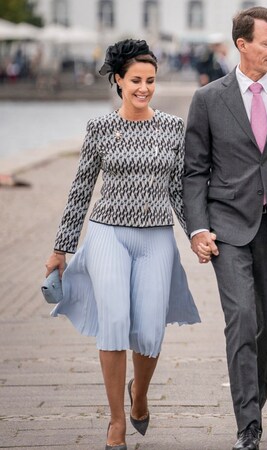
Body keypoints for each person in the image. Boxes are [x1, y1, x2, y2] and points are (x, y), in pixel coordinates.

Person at [44, 39, 200, 450]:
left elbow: (179, 193)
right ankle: (115, 422)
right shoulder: (100, 128)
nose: (144, 88)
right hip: (107, 235)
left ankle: (140, 396)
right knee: (114, 324)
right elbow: (80, 190)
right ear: (118, 80)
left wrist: (197, 235)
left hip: (156, 238)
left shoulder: (172, 128)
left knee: (149, 330)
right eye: (135, 80)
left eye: (150, 80)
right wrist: (60, 248)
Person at [182, 7, 267, 450]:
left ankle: (254, 403)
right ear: (242, 44)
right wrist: (197, 228)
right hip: (227, 227)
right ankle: (248, 424)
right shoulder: (208, 99)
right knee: (241, 317)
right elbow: (193, 171)